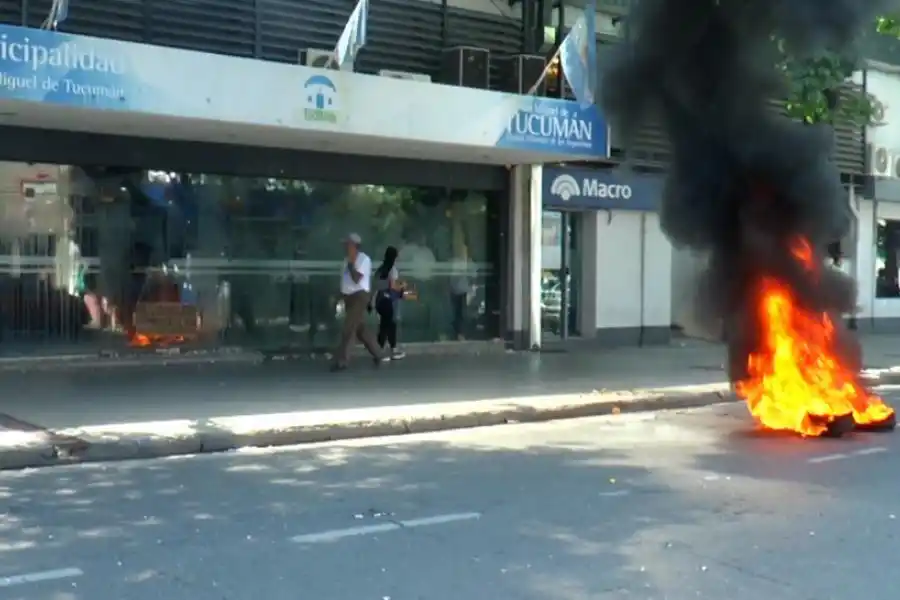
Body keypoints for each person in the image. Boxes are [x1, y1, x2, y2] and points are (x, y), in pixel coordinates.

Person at [332, 233, 382, 371]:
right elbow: (345, 282)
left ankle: (342, 361)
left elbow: (356, 279)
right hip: (348, 297)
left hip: (359, 296)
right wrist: (339, 296)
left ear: (355, 246)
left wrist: (351, 264)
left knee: (349, 327)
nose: (345, 247)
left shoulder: (363, 259)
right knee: (360, 329)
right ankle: (377, 353)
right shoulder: (346, 260)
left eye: (348, 245)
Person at [372, 246, 406, 361]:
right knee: (387, 325)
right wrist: (402, 287)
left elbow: (376, 284)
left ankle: (391, 348)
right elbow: (392, 286)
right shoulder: (393, 270)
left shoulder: (380, 269)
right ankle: (380, 350)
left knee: (386, 324)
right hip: (389, 301)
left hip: (380, 300)